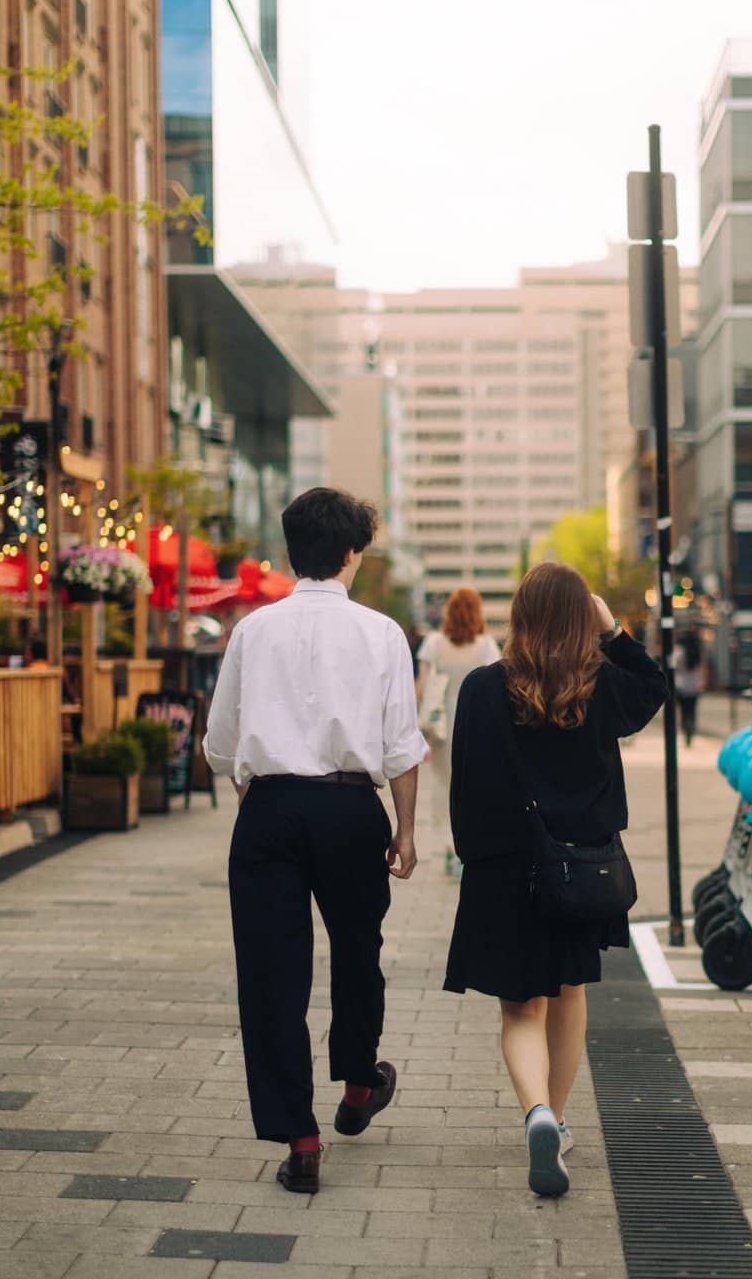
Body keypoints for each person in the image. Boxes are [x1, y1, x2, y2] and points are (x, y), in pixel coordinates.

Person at [204, 487, 428, 1198]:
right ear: (351, 553)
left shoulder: (252, 631)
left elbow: (218, 744)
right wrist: (407, 829)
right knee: (358, 951)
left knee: (272, 976)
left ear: (290, 551)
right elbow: (400, 747)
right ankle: (359, 1086)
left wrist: (257, 789)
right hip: (350, 807)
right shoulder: (383, 633)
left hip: (270, 809)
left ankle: (300, 1139)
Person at [444, 562, 665, 1198]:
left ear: (518, 615)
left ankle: (535, 1112)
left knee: (520, 1008)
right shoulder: (601, 687)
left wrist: (475, 862)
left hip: (507, 867)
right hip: (580, 871)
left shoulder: (484, 688)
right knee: (569, 995)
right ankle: (559, 1121)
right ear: (579, 620)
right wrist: (611, 629)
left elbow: (467, 784)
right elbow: (656, 686)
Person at [415, 587, 500, 876]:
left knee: (443, 784)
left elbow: (422, 688)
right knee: (473, 787)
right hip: (476, 726)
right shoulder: (487, 645)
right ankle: (468, 848)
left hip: (441, 726)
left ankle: (449, 848)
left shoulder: (434, 643)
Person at [672, 628, 705, 746]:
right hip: (694, 685)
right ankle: (690, 730)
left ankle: (685, 728)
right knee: (691, 710)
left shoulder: (679, 650)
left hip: (680, 684)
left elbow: (672, 665)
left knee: (682, 710)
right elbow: (701, 668)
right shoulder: (696, 650)